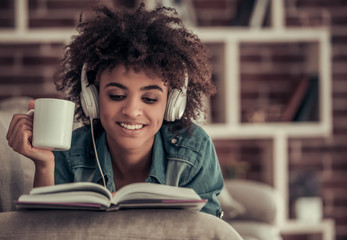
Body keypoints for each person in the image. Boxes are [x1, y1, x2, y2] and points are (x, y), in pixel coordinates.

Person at [6, 3, 224, 217]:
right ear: (92, 97)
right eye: (117, 96)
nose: (131, 110)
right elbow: (43, 230)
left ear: (172, 103)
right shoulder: (71, 153)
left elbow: (208, 229)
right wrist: (44, 164)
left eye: (149, 98)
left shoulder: (193, 149)